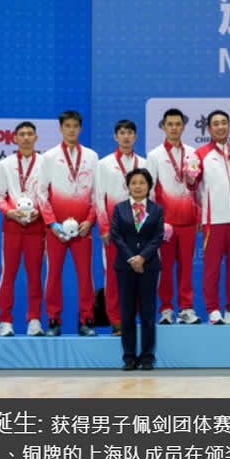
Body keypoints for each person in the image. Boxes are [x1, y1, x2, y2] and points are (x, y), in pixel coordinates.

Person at [188, 110, 230, 324]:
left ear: (229, 126)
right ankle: (213, 309)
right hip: (213, 220)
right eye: (216, 123)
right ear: (208, 129)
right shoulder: (201, 154)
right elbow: (192, 185)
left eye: (224, 123)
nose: (220, 127)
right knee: (212, 268)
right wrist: (190, 178)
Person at [37, 110, 99, 336]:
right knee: (53, 275)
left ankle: (86, 320)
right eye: (67, 126)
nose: (71, 130)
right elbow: (41, 193)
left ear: (80, 128)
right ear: (60, 128)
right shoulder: (49, 157)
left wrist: (89, 221)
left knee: (85, 276)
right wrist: (52, 224)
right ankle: (53, 320)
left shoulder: (91, 156)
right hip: (57, 230)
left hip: (83, 229)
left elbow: (97, 193)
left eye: (75, 126)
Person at [146, 108, 200, 325]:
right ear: (163, 127)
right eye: (170, 124)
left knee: (186, 268)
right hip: (165, 224)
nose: (174, 128)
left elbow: (198, 187)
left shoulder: (193, 153)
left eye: (178, 124)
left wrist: (199, 216)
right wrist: (154, 221)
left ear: (183, 127)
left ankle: (186, 308)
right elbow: (149, 191)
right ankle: (166, 309)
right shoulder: (154, 155)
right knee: (165, 268)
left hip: (188, 221)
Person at [110, 168, 164, 371]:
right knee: (127, 313)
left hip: (149, 266)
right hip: (125, 267)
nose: (138, 186)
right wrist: (132, 258)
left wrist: (142, 257)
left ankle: (148, 357)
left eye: (142, 182)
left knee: (148, 314)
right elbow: (116, 236)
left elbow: (158, 237)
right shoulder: (119, 208)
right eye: (134, 183)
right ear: (128, 186)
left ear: (149, 186)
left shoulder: (157, 209)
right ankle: (129, 357)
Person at [95, 119, 146, 335]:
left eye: (130, 133)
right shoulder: (104, 164)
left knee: (138, 275)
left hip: (140, 229)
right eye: (122, 133)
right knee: (114, 276)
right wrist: (104, 227)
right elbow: (98, 196)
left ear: (136, 137)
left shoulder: (144, 163)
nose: (126, 137)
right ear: (116, 136)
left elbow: (151, 197)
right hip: (114, 230)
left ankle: (133, 319)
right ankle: (116, 321)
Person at [0, 121, 45, 336]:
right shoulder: (5, 164)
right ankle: (5, 321)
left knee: (35, 275)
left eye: (29, 134)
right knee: (8, 274)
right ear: (14, 138)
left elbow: (47, 194)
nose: (25, 137)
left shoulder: (44, 163)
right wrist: (9, 212)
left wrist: (40, 212)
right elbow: (0, 196)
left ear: (36, 138)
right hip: (12, 227)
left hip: (36, 226)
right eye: (22, 134)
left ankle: (34, 320)